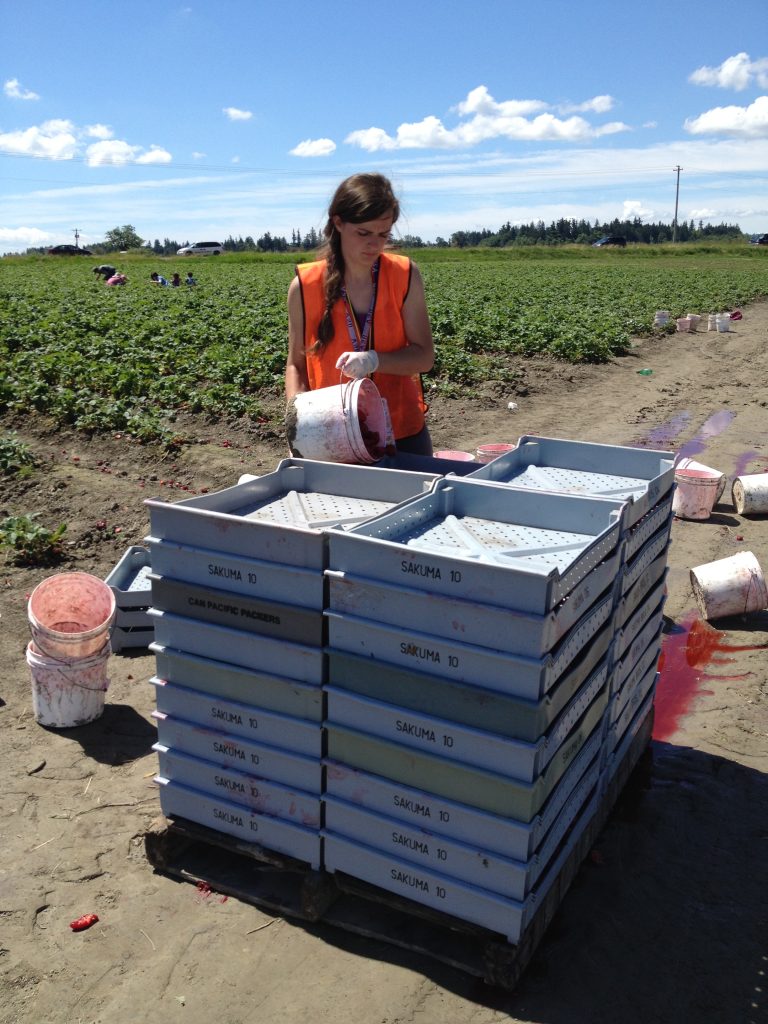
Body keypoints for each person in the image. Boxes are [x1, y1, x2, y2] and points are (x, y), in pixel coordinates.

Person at [286, 173, 434, 455]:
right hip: (332, 434)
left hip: (402, 431)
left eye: (383, 234)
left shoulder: (404, 275)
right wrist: (298, 422)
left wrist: (375, 360)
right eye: (363, 233)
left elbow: (424, 357)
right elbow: (296, 364)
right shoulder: (304, 287)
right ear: (338, 223)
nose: (374, 245)